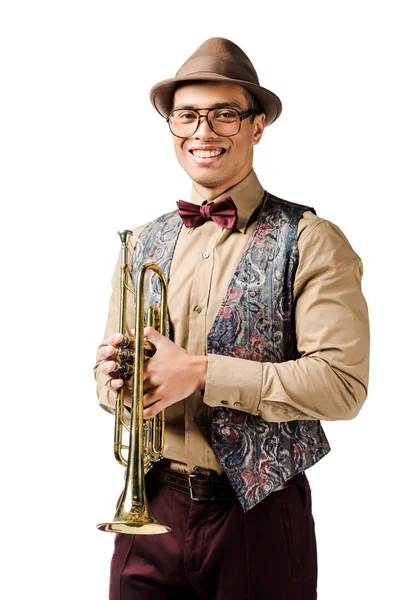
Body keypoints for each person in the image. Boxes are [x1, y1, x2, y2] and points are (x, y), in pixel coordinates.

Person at [94, 37, 370, 600]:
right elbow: (107, 380)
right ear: (171, 126)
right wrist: (116, 380)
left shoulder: (312, 241)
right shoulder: (140, 243)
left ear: (257, 124)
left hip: (260, 513)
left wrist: (200, 373)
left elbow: (343, 387)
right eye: (187, 116)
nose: (203, 132)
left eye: (224, 115)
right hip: (151, 505)